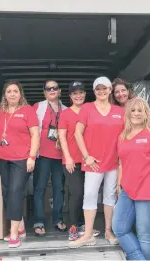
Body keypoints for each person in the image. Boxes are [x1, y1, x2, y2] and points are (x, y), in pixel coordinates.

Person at [112, 97, 150, 260]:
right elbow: (122, 161)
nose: (136, 114)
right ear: (127, 113)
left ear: (146, 113)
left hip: (148, 191)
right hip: (128, 190)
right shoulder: (123, 135)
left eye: (140, 110)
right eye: (133, 110)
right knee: (119, 228)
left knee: (145, 235)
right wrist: (119, 182)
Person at [69, 76, 124, 248]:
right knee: (90, 196)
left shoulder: (119, 111)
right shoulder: (87, 108)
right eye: (98, 89)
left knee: (110, 197)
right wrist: (86, 156)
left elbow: (124, 136)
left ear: (110, 90)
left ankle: (108, 230)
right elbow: (78, 133)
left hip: (113, 161)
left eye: (105, 88)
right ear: (94, 91)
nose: (101, 91)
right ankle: (88, 234)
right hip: (94, 162)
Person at [0, 80, 40, 248]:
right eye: (9, 91)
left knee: (16, 191)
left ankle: (14, 234)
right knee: (6, 192)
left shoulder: (28, 111)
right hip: (3, 157)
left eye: (15, 91)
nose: (12, 94)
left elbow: (35, 134)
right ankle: (21, 227)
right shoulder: (1, 112)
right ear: (5, 94)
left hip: (22, 159)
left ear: (20, 94)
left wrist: (32, 157)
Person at [58, 81, 100, 241]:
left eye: (81, 92)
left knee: (88, 194)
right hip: (72, 160)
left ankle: (85, 225)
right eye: (74, 93)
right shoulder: (65, 113)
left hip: (89, 160)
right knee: (76, 193)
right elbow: (62, 136)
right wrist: (67, 157)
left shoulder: (91, 110)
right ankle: (73, 226)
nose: (78, 96)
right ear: (70, 96)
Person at [33, 80, 68, 236]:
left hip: (60, 155)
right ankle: (39, 221)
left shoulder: (66, 109)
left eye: (55, 88)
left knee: (59, 189)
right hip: (42, 155)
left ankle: (58, 219)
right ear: (44, 92)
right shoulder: (38, 107)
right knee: (39, 188)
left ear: (59, 91)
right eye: (49, 88)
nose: (52, 90)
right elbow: (27, 129)